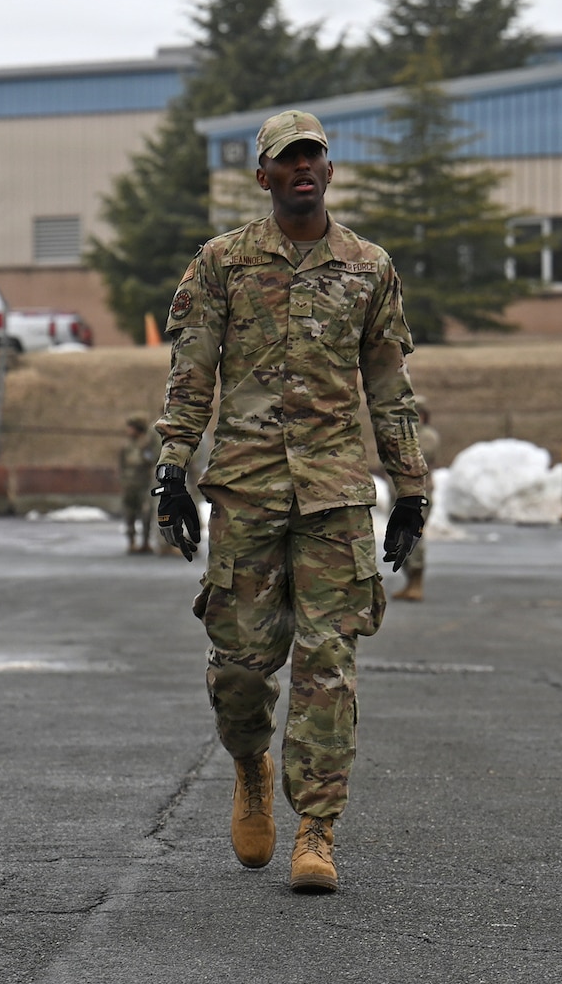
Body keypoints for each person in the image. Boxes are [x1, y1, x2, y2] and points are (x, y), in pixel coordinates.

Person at [152, 110, 428, 893]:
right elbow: (190, 375)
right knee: (241, 667)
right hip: (247, 491)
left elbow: (390, 389)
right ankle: (248, 764)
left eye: (314, 156)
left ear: (330, 171)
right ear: (265, 175)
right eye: (287, 159)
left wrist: (410, 488)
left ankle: (316, 828)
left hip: (336, 495)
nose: (302, 168)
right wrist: (172, 468)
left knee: (328, 665)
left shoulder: (369, 269)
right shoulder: (223, 264)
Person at [391, 395, 441, 602]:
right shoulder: (404, 436)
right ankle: (408, 581)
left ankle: (416, 582)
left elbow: (418, 458)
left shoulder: (426, 436)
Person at [116, 414, 159, 554]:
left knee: (146, 513)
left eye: (131, 427)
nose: (128, 430)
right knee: (129, 514)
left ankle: (145, 542)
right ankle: (132, 542)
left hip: (143, 484)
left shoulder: (146, 444)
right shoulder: (126, 445)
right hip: (129, 484)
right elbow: (121, 464)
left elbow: (152, 460)